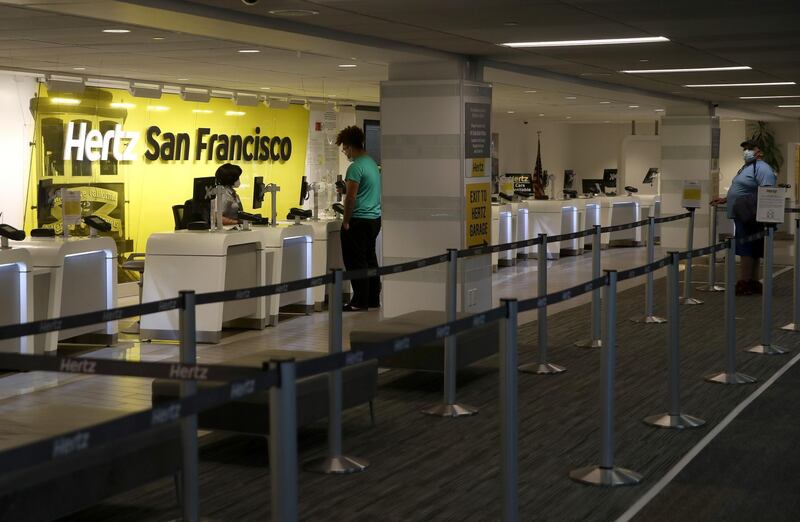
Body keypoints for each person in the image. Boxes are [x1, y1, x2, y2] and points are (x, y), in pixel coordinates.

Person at [710, 139, 776, 295]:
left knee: (747, 248)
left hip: (750, 215)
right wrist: (726, 199)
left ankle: (745, 282)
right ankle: (752, 281)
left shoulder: (762, 168)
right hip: (742, 214)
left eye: (750, 149)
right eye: (745, 149)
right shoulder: (747, 167)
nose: (746, 151)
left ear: (759, 151)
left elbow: (768, 191)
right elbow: (742, 188)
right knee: (751, 247)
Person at [336, 125, 382, 311]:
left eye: (345, 148)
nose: (345, 152)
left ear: (350, 146)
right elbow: (362, 191)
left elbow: (351, 197)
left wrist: (346, 221)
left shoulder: (355, 168)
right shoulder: (371, 163)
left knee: (355, 261)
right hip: (374, 220)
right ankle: (372, 299)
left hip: (358, 220)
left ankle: (359, 301)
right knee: (370, 259)